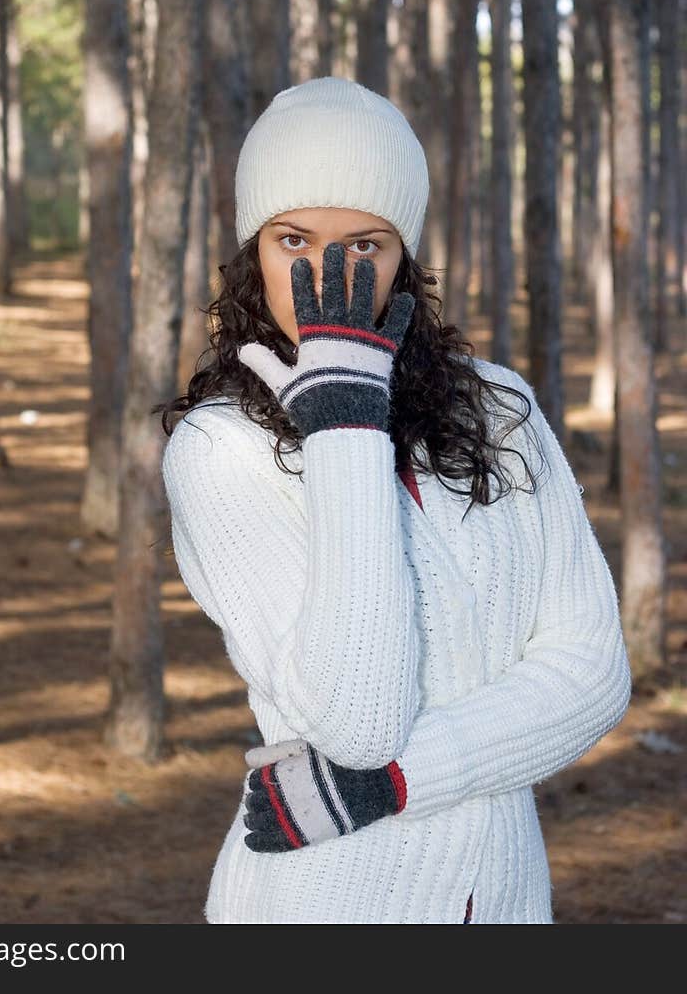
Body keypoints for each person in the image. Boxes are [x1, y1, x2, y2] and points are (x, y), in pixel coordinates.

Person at [159, 75, 632, 924]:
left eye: (365, 245)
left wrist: (392, 786)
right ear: (250, 251)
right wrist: (345, 427)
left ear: (404, 255)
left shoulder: (498, 408)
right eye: (295, 239)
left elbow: (592, 677)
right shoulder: (219, 450)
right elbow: (358, 725)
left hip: (504, 902)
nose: (327, 276)